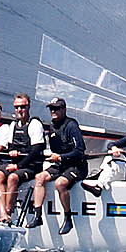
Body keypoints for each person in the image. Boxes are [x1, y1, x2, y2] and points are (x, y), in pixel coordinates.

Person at [31, 97, 87, 233]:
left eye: (56, 108)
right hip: (59, 164)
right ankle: (37, 215)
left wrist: (61, 157)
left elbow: (79, 151)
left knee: (60, 183)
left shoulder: (71, 126)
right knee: (39, 177)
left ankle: (68, 219)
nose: (53, 111)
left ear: (64, 109)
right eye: (51, 108)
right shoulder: (52, 126)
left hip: (76, 165)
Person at [0, 94, 46, 223]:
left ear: (28, 107)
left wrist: (18, 166)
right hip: (16, 165)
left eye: (23, 107)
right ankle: (2, 213)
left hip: (31, 166)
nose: (20, 110)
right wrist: (12, 151)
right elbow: (11, 146)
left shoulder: (34, 124)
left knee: (13, 178)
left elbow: (37, 149)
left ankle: (8, 212)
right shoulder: (13, 125)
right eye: (17, 107)